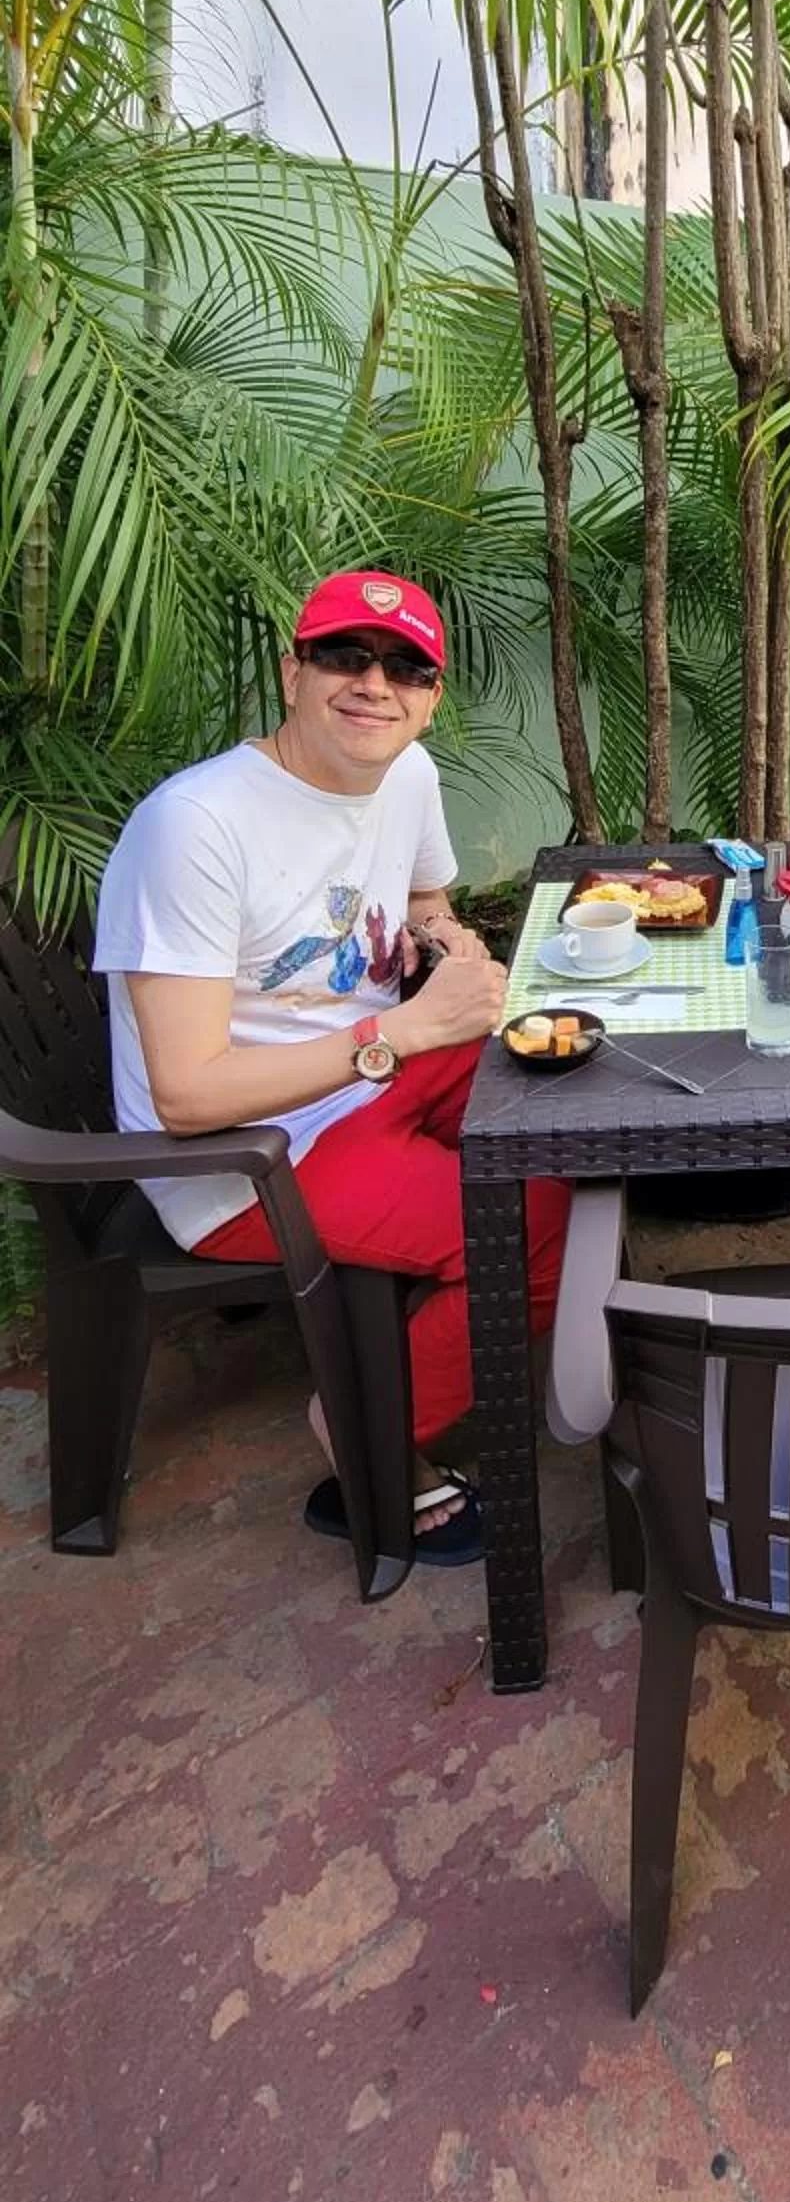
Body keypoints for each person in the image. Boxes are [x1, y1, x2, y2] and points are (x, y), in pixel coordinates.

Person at [94, 569, 568, 1565]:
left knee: (567, 1105)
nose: (374, 684)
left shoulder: (406, 773)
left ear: (431, 699)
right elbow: (185, 1096)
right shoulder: (196, 826)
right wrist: (400, 1034)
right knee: (527, 1234)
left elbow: (427, 903)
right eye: (345, 656)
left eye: (405, 668)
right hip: (245, 1155)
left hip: (371, 1077)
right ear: (293, 674)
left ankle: (543, 1350)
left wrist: (452, 951)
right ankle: (369, 1438)